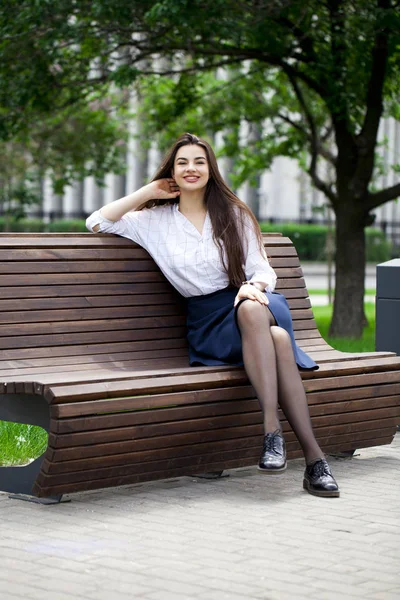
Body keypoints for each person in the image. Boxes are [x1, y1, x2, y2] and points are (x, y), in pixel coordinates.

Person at [86, 132, 339, 498]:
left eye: (199, 162)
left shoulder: (234, 214)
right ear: (171, 171)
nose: (191, 169)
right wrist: (147, 192)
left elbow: (264, 270)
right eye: (183, 162)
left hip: (252, 302)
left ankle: (272, 434)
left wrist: (254, 287)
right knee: (279, 339)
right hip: (209, 322)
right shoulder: (152, 221)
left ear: (211, 169)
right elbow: (97, 222)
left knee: (253, 311)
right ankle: (315, 461)